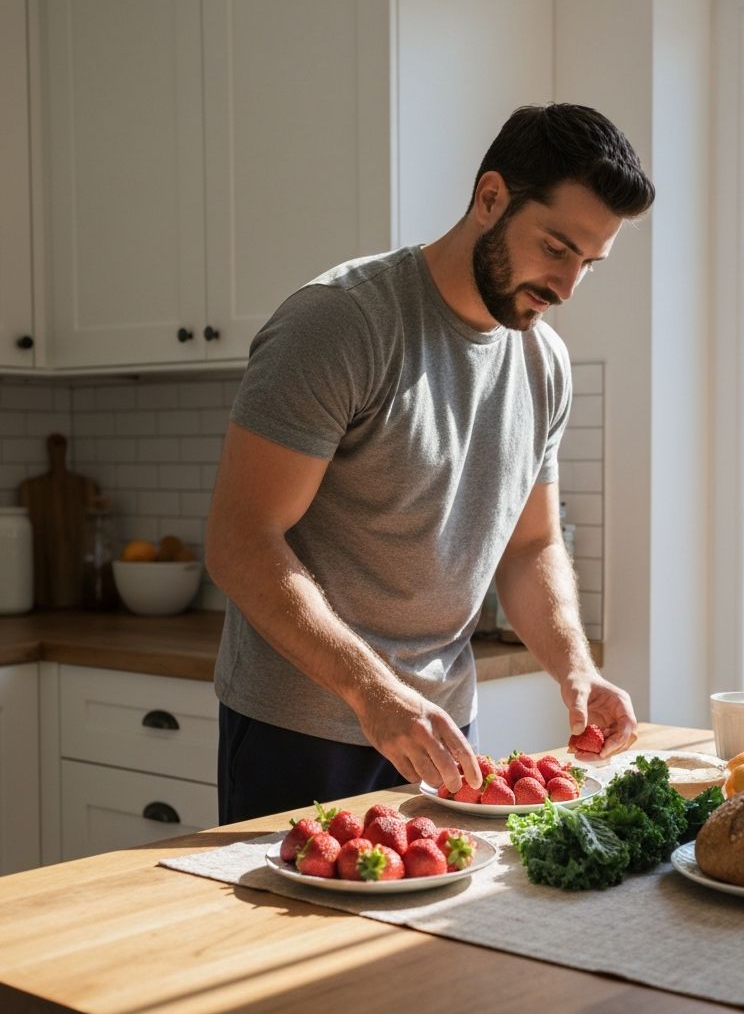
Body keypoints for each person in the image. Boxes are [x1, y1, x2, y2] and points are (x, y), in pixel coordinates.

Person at [206, 103, 652, 824]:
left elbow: (531, 544)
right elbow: (238, 539)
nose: (567, 286)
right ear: (490, 198)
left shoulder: (544, 363)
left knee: (424, 939)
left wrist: (576, 671)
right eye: (557, 248)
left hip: (441, 733)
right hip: (302, 728)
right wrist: (373, 693)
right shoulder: (341, 324)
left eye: (588, 265)